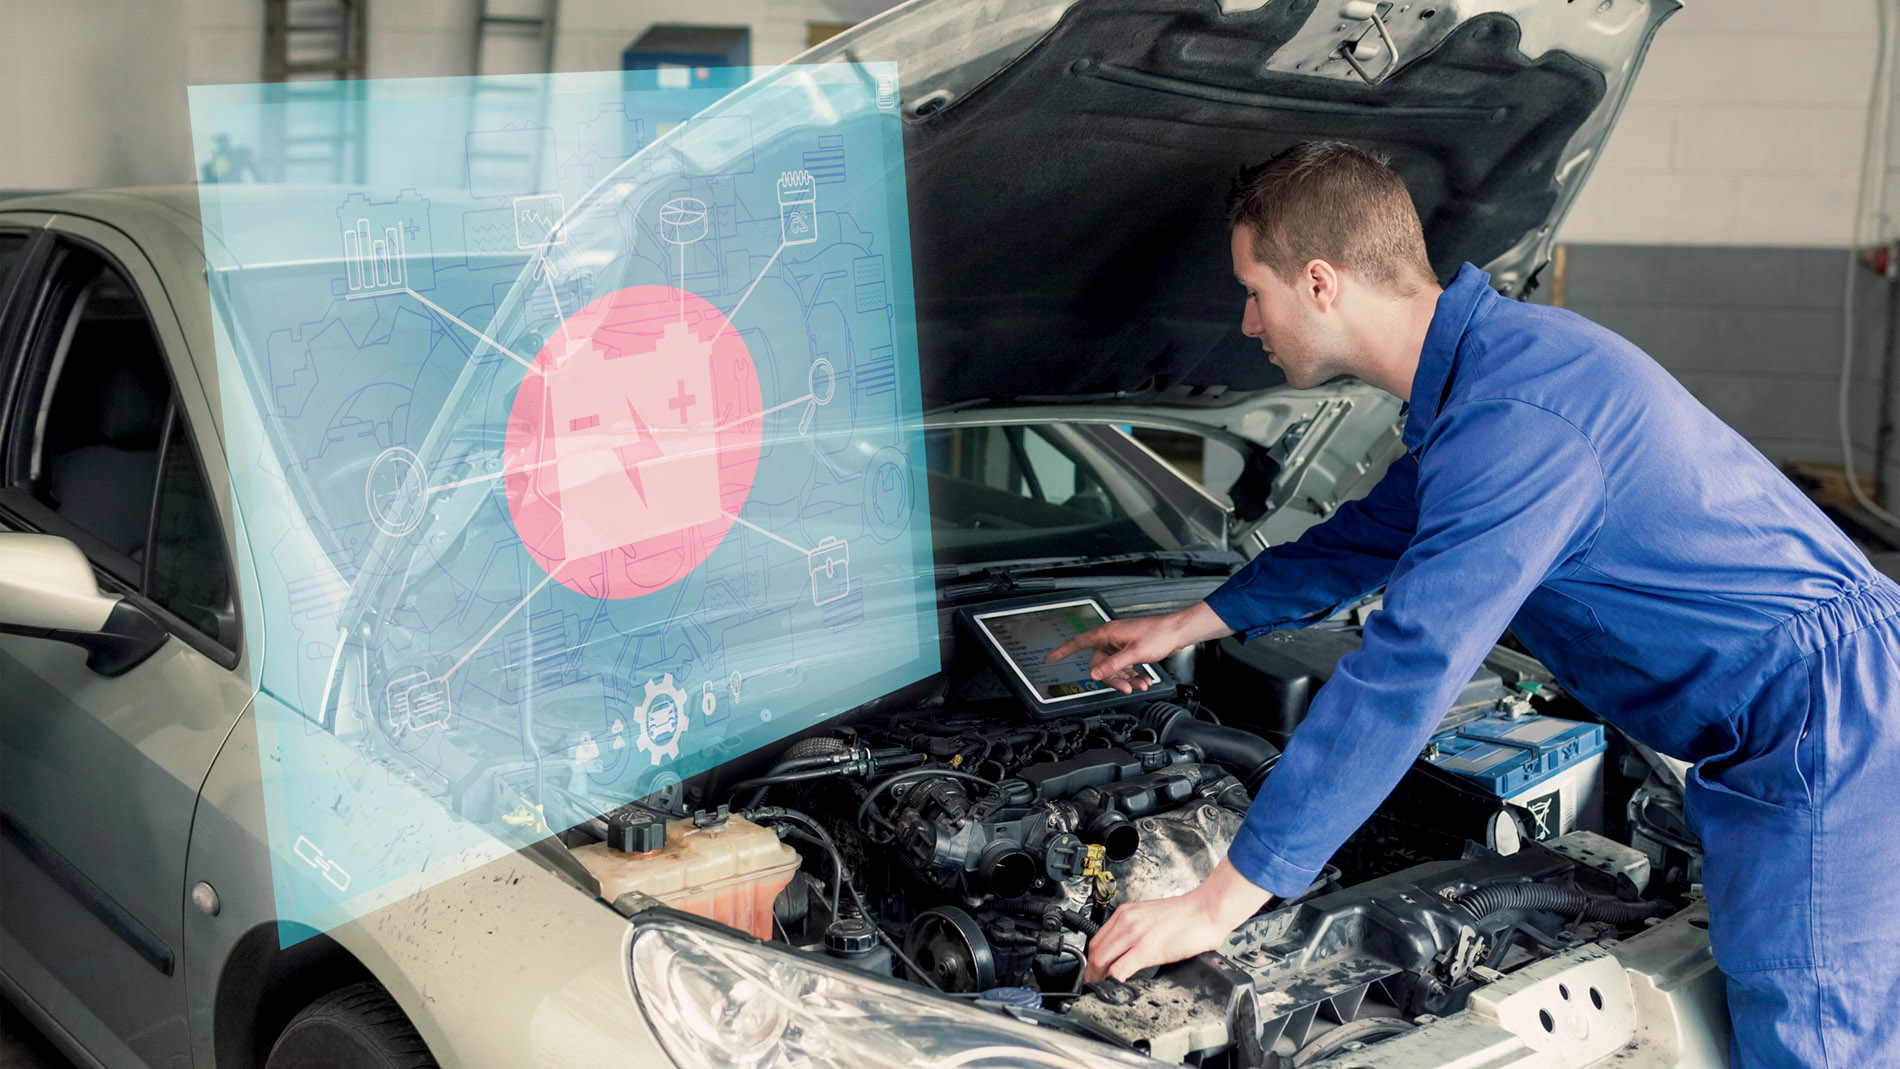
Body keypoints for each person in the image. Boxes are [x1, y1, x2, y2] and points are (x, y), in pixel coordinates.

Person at [1049, 140, 1900, 1068]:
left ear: (1322, 283)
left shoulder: (1516, 421)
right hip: (1807, 704)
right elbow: (1365, 536)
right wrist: (1189, 623)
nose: (1247, 321)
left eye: (1254, 290)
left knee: (1813, 1040)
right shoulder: (1493, 377)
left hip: (1827, 718)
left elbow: (1404, 672)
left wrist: (1217, 902)